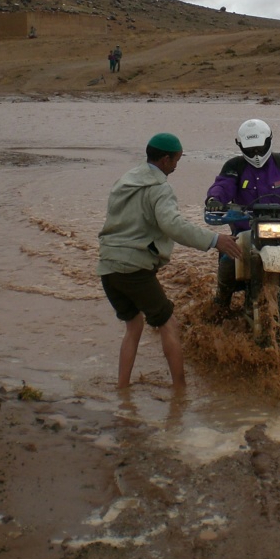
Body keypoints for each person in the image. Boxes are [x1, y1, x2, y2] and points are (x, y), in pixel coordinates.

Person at [98, 132, 241, 389]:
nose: (176, 165)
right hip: (134, 269)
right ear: (165, 159)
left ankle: (122, 389)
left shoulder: (125, 180)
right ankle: (180, 392)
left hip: (108, 266)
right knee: (168, 324)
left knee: (134, 324)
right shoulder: (160, 188)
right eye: (176, 160)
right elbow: (172, 225)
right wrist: (214, 240)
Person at [205, 119, 280, 308]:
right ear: (241, 146)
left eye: (260, 148)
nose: (256, 153)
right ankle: (220, 308)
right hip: (245, 231)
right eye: (251, 149)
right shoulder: (234, 167)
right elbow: (223, 185)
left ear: (269, 141)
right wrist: (214, 200)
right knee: (227, 268)